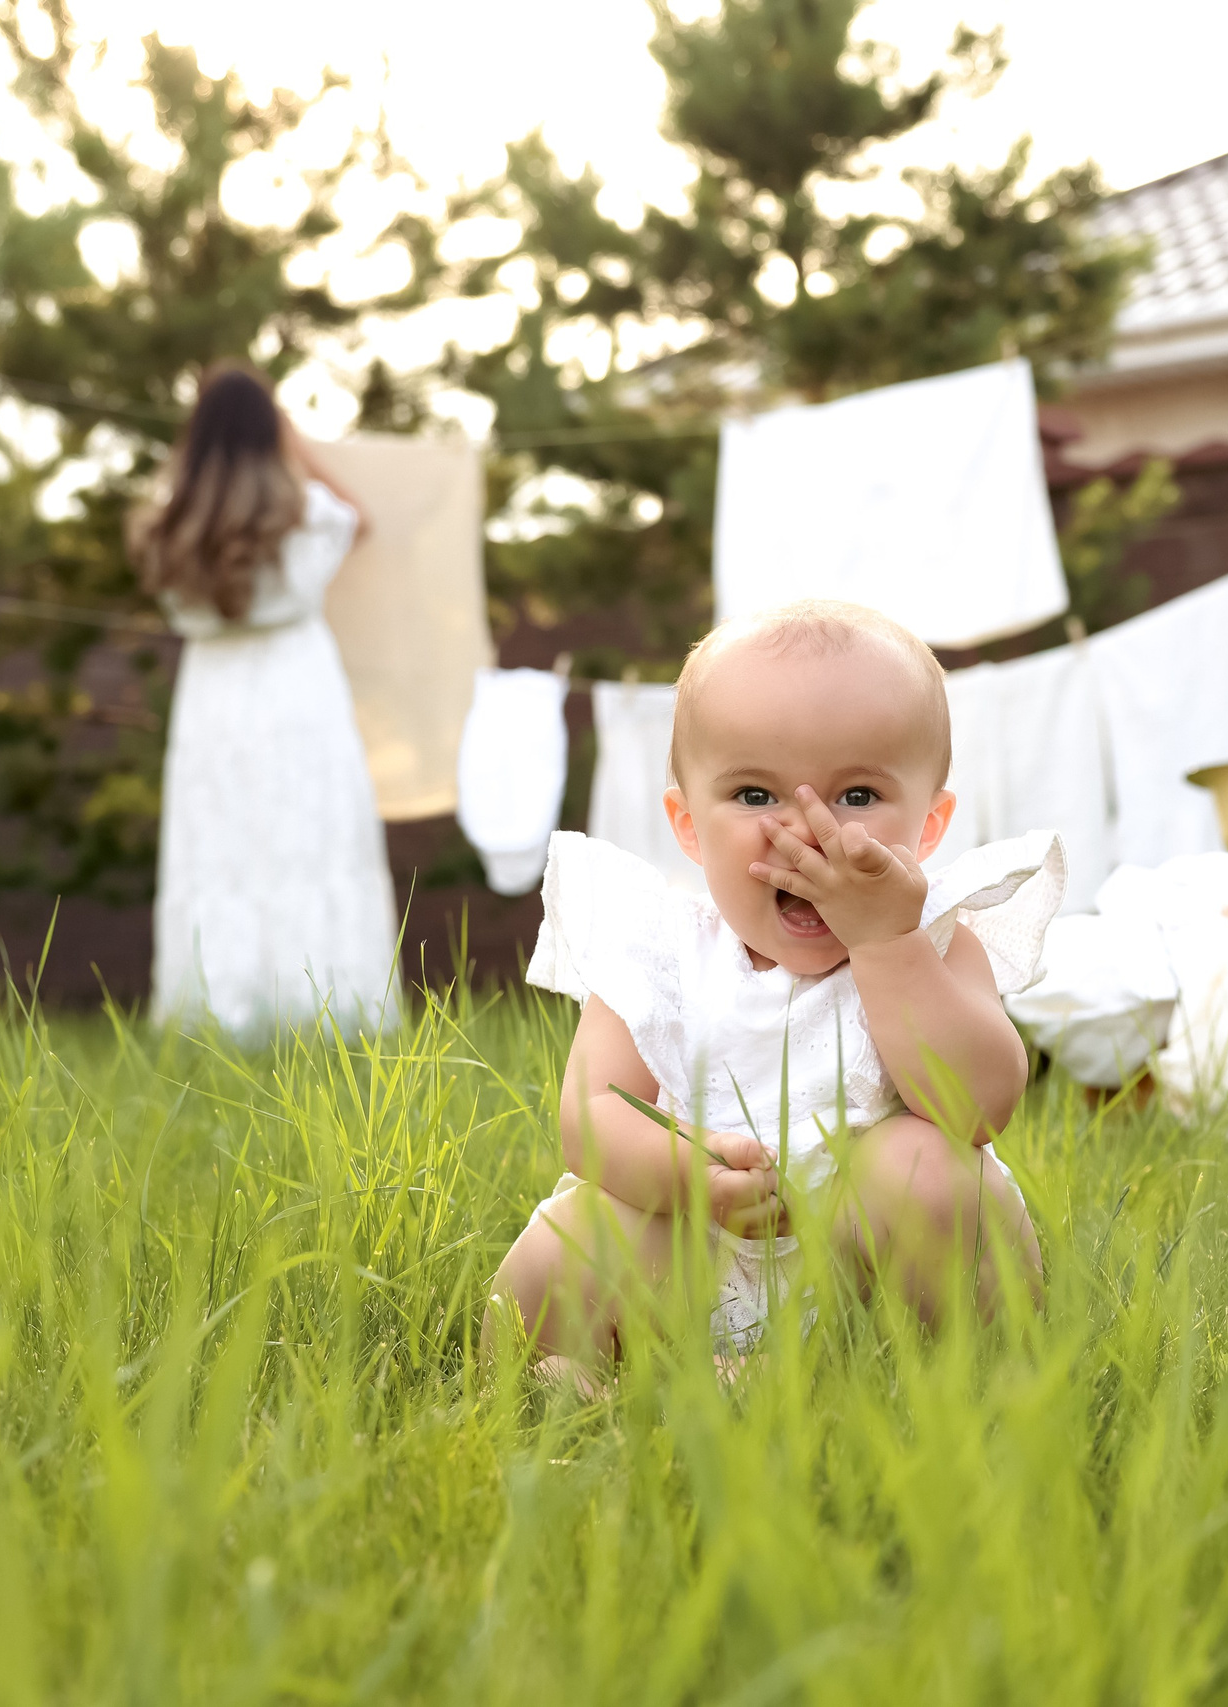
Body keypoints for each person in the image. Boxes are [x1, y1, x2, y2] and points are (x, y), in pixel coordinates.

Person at [486, 599, 1063, 1384]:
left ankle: (914, 1373)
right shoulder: (660, 952)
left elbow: (980, 1105)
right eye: (755, 795)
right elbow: (591, 1117)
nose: (805, 828)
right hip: (704, 1257)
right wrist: (685, 1174)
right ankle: (582, 1372)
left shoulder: (930, 941)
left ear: (929, 824)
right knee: (592, 1223)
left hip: (870, 1272)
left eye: (857, 795)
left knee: (924, 1167)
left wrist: (885, 943)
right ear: (688, 827)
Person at [131, 363, 402, 1043]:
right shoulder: (302, 513)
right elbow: (361, 516)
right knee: (308, 835)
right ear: (270, 429)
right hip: (297, 682)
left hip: (212, 694)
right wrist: (299, 443)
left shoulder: (171, 520)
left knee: (223, 843)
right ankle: (324, 1006)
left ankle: (223, 1009)